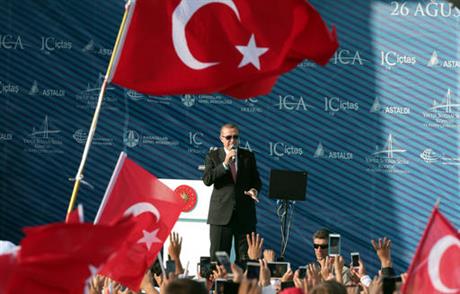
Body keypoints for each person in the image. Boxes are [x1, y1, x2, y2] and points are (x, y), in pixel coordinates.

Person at [203, 123, 262, 262]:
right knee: (219, 260)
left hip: (245, 215)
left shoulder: (248, 156)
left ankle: (244, 284)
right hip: (221, 216)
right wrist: (224, 164)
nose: (232, 141)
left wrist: (254, 190)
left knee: (247, 260)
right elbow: (207, 179)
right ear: (221, 138)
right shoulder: (213, 156)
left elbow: (256, 181)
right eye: (228, 137)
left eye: (235, 137)